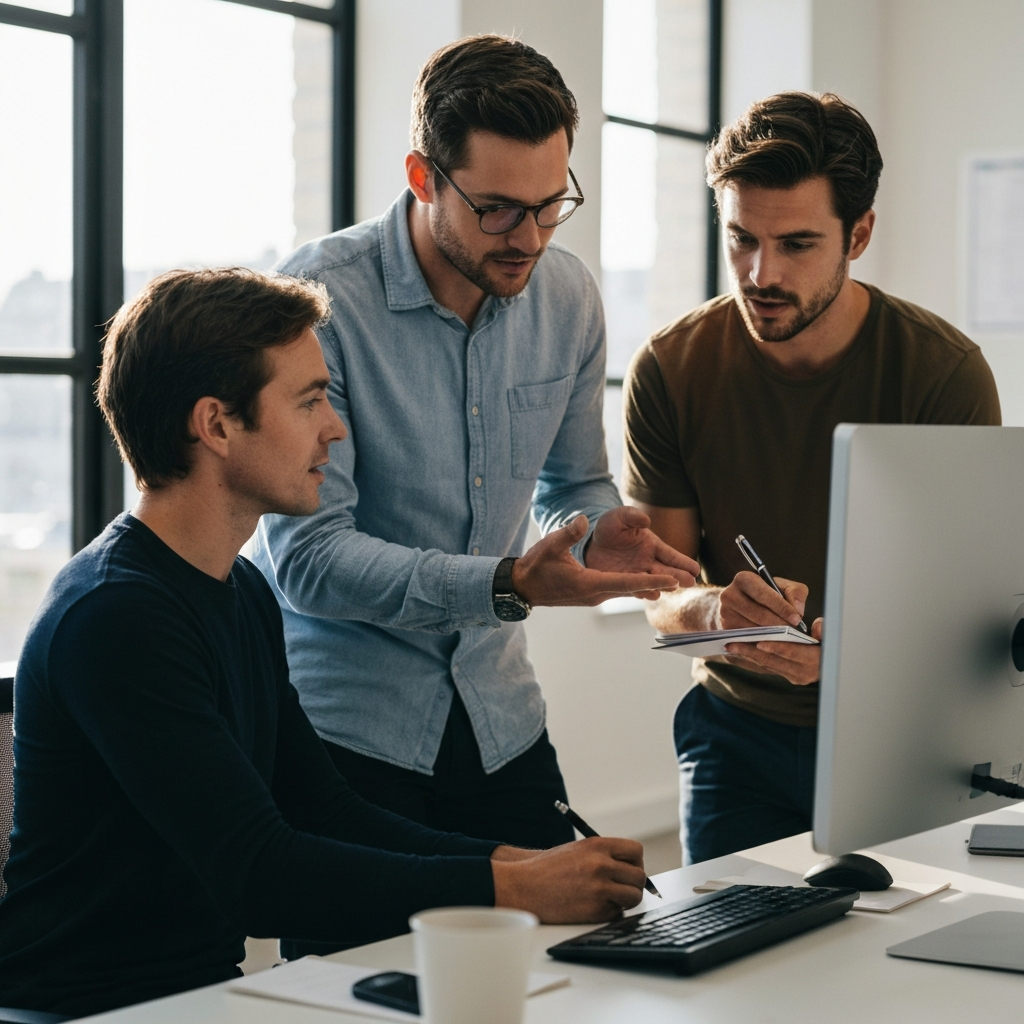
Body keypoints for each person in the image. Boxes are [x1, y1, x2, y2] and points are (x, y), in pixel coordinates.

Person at [0, 268, 650, 1019]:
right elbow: (260, 875)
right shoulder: (116, 615)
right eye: (309, 400)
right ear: (215, 425)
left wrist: (517, 861)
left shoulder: (240, 591)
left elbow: (324, 810)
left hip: (201, 996)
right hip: (91, 1009)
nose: (334, 427)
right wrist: (513, 890)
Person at [253, 32, 698, 878]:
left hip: (501, 719)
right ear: (424, 178)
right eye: (497, 208)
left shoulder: (566, 296)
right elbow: (307, 560)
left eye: (550, 205)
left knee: (556, 973)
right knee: (364, 1002)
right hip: (348, 734)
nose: (528, 238)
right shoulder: (321, 301)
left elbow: (573, 483)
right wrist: (508, 584)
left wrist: (597, 534)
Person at [622, 92, 1001, 865]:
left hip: (901, 734)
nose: (761, 273)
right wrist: (712, 609)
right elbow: (659, 590)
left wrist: (845, 656)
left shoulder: (942, 375)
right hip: (732, 731)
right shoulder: (670, 367)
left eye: (796, 243)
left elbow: (974, 616)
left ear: (858, 234)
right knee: (730, 966)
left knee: (899, 963)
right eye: (741, 240)